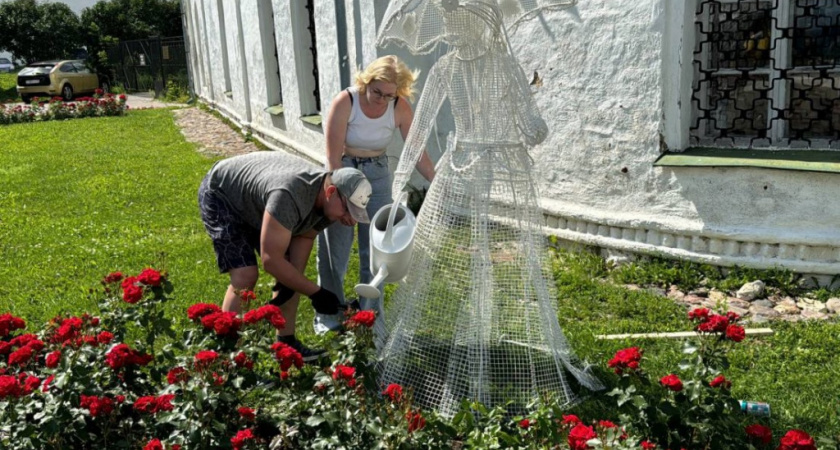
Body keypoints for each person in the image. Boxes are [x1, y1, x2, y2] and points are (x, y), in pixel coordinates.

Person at [198, 151, 372, 361]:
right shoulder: (290, 196)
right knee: (245, 275)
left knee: (291, 274)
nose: (349, 220)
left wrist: (295, 282)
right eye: (347, 210)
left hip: (261, 200)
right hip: (223, 195)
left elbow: (304, 239)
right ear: (331, 191)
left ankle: (285, 344)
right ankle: (226, 355)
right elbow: (270, 259)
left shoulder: (328, 205)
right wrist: (316, 293)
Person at [315, 55, 436, 334]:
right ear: (366, 82)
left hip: (378, 174)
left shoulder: (400, 107)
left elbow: (416, 150)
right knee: (337, 246)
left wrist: (434, 178)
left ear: (399, 93)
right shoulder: (346, 102)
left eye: (389, 95)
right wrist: (341, 198)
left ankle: (369, 314)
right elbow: (332, 158)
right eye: (376, 92)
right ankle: (329, 313)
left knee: (378, 247)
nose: (381, 100)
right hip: (344, 171)